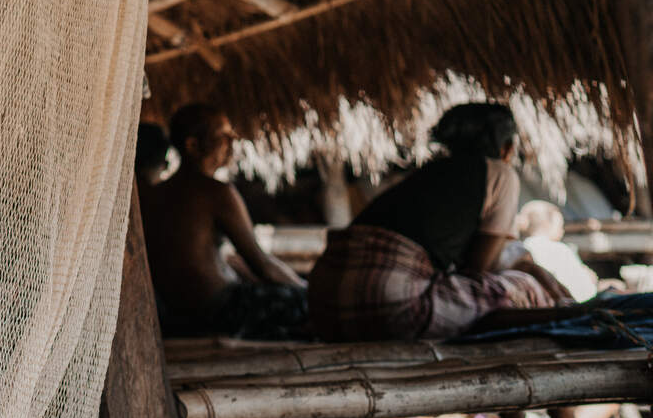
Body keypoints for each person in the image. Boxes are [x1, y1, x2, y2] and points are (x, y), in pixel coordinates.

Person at [307, 102, 572, 341]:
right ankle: (565, 314)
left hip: (324, 307)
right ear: (508, 148)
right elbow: (478, 271)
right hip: (388, 304)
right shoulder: (500, 173)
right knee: (524, 286)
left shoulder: (425, 174)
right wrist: (528, 269)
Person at [139, 104, 309, 339]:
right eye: (222, 135)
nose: (232, 141)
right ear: (192, 145)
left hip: (178, 315)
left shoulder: (156, 194)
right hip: (220, 311)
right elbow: (263, 266)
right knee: (307, 303)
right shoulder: (216, 192)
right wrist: (307, 291)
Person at [516, 200, 601, 302]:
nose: (562, 230)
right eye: (561, 225)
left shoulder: (521, 248)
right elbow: (584, 292)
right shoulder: (559, 250)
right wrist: (590, 280)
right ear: (548, 224)